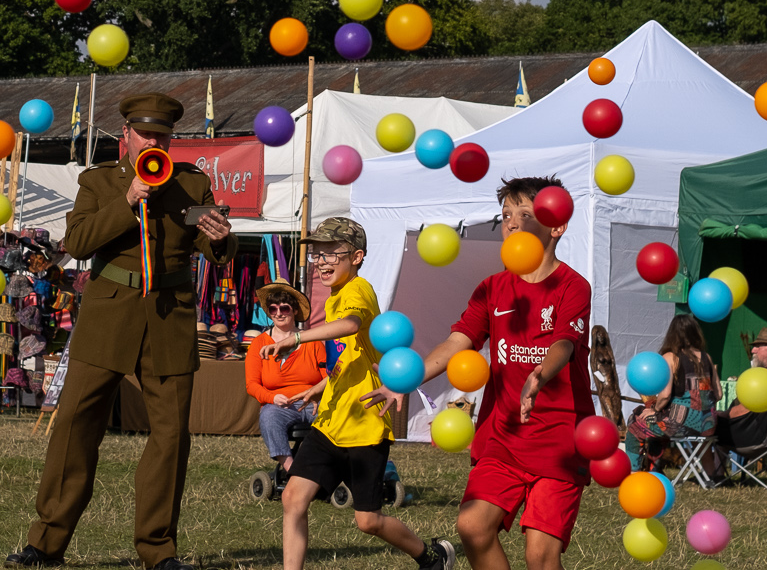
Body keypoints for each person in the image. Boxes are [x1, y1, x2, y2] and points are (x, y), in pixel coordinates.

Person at [9, 93, 238, 570]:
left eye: (162, 135)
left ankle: (158, 551)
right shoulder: (98, 182)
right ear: (127, 136)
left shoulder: (193, 183)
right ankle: (46, 544)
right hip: (108, 316)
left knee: (171, 438)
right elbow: (78, 242)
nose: (153, 141)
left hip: (170, 319)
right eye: (145, 133)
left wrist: (223, 238)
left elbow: (215, 250)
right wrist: (128, 198)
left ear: (171, 139)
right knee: (74, 426)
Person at [376, 176, 593, 570]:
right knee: (473, 526)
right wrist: (406, 379)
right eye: (506, 214)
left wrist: (540, 374)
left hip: (560, 439)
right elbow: (458, 341)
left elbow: (565, 343)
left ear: (557, 225)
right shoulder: (492, 288)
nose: (511, 223)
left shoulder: (572, 286)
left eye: (524, 214)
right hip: (503, 436)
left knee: (541, 556)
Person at [270, 216, 455, 570]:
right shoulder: (336, 294)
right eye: (317, 255)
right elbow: (352, 353)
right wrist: (321, 386)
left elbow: (351, 326)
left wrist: (295, 337)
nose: (321, 262)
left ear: (356, 256)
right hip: (331, 422)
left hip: (365, 425)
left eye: (330, 254)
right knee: (293, 498)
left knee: (368, 520)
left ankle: (431, 556)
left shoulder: (357, 290)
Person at [244, 282, 327, 474]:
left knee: (337, 418)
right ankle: (294, 471)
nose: (278, 313)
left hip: (313, 401)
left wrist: (316, 393)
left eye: (284, 308)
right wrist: (272, 398)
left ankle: (329, 468)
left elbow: (328, 377)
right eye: (273, 308)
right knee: (269, 416)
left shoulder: (312, 340)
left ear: (295, 310)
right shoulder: (259, 344)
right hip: (280, 405)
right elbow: (252, 385)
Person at [621, 315, 719, 472]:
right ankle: (712, 476)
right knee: (664, 425)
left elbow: (665, 395)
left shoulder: (671, 357)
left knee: (635, 424)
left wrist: (655, 409)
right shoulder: (706, 358)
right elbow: (719, 394)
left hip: (681, 424)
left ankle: (633, 472)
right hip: (708, 425)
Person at [715, 328, 767, 453]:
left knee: (709, 426)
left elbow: (744, 409)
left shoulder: (766, 377)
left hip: (752, 438)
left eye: (758, 346)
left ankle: (713, 470)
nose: (753, 350)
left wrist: (721, 414)